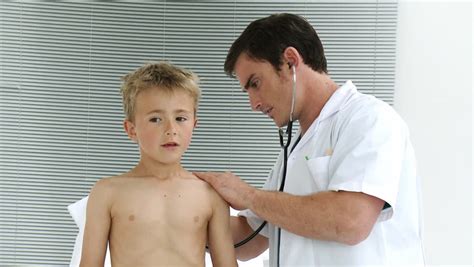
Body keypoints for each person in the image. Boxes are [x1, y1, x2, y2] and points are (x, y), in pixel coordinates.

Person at [194, 13, 425, 266]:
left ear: (290, 61)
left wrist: (247, 195)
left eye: (256, 83)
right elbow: (250, 238)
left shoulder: (369, 119)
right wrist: (175, 213)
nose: (253, 104)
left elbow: (351, 221)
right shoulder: (293, 151)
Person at [80, 62, 237, 267]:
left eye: (180, 118)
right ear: (131, 129)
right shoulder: (107, 192)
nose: (171, 129)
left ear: (194, 125)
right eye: (155, 119)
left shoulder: (210, 195)